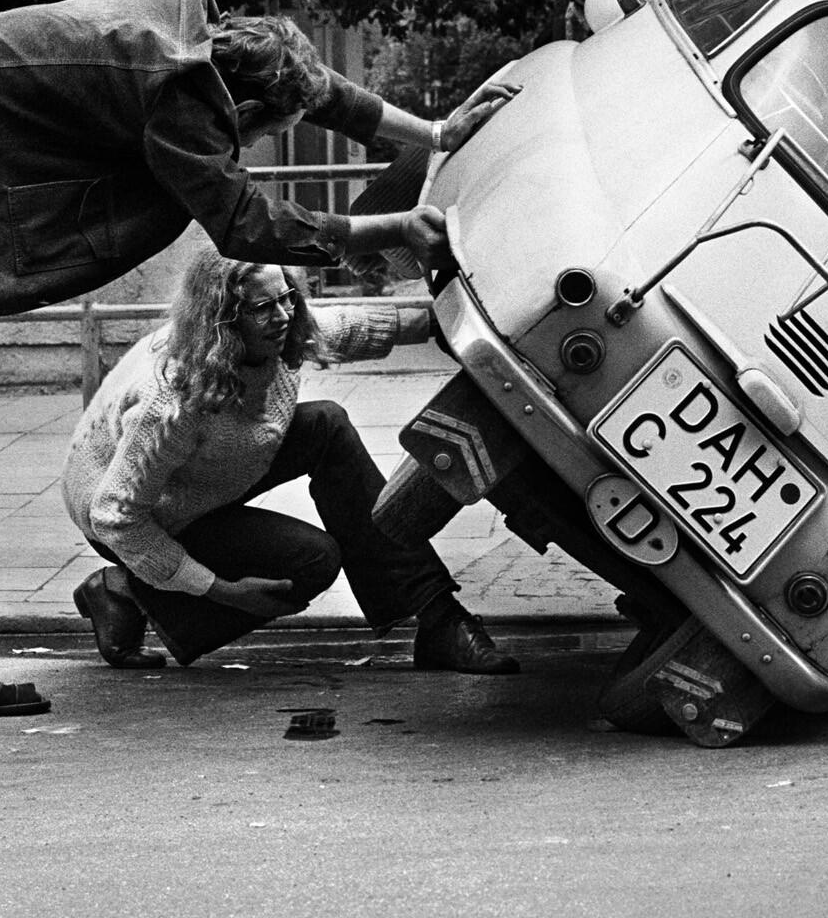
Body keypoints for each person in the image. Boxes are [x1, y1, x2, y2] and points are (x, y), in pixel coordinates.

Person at [0, 0, 513, 748]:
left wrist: (436, 133)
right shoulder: (178, 92)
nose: (242, 152)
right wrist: (396, 228)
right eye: (252, 140)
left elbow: (322, 90)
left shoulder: (207, 37)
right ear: (236, 114)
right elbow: (246, 222)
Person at [63, 252, 519, 673]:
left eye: (286, 299)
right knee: (312, 561)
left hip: (204, 475)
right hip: (136, 513)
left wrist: (456, 322)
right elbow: (115, 516)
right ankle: (123, 590)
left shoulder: (277, 332)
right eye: (263, 308)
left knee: (327, 425)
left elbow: (348, 327)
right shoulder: (173, 404)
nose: (282, 317)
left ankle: (440, 619)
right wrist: (215, 588)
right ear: (223, 319)